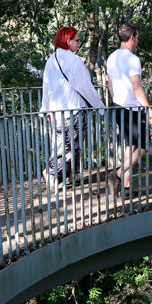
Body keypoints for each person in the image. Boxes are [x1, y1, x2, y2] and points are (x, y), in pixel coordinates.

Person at [40, 26, 105, 185]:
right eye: (77, 40)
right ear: (68, 41)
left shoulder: (51, 59)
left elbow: (46, 86)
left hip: (56, 111)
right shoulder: (74, 61)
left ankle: (65, 177)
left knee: (61, 144)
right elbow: (85, 87)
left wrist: (45, 108)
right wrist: (100, 107)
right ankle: (52, 172)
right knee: (70, 148)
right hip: (73, 110)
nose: (79, 42)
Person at [105, 22, 152, 194]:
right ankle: (118, 173)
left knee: (130, 146)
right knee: (144, 147)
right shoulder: (133, 59)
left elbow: (110, 84)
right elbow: (138, 88)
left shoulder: (112, 57)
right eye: (137, 38)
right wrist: (149, 109)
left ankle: (126, 187)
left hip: (118, 106)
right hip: (132, 109)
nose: (137, 41)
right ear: (132, 37)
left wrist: (116, 99)